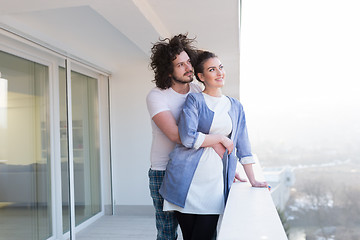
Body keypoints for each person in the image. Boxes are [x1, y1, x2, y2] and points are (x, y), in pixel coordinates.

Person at [159, 51, 268, 240]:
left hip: (214, 185)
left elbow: (243, 145)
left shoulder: (235, 106)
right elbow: (187, 138)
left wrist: (253, 180)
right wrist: (220, 138)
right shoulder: (194, 100)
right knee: (190, 236)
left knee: (204, 235)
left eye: (221, 67)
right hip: (185, 181)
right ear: (201, 77)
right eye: (212, 69)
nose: (219, 73)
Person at [146, 33, 203, 240]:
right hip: (163, 171)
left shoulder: (198, 90)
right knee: (167, 233)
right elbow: (177, 135)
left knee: (198, 232)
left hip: (193, 169)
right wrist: (216, 140)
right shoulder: (157, 96)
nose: (188, 68)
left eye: (189, 62)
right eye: (180, 65)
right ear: (168, 71)